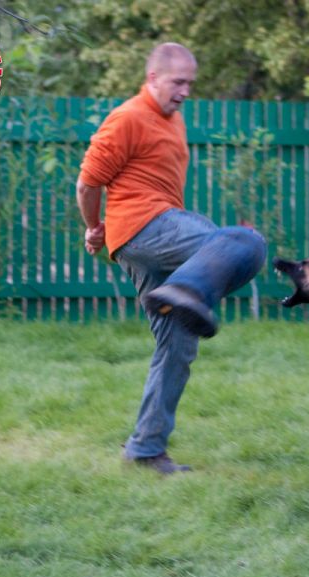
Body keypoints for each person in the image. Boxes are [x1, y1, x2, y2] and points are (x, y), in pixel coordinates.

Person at [76, 43, 267, 475]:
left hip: (149, 238)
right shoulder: (127, 117)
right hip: (146, 228)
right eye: (178, 82)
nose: (185, 91)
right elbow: (87, 183)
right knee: (246, 242)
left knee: (177, 347)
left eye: (190, 84)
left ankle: (145, 449)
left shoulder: (173, 119)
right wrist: (92, 228)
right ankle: (187, 289)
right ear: (153, 78)